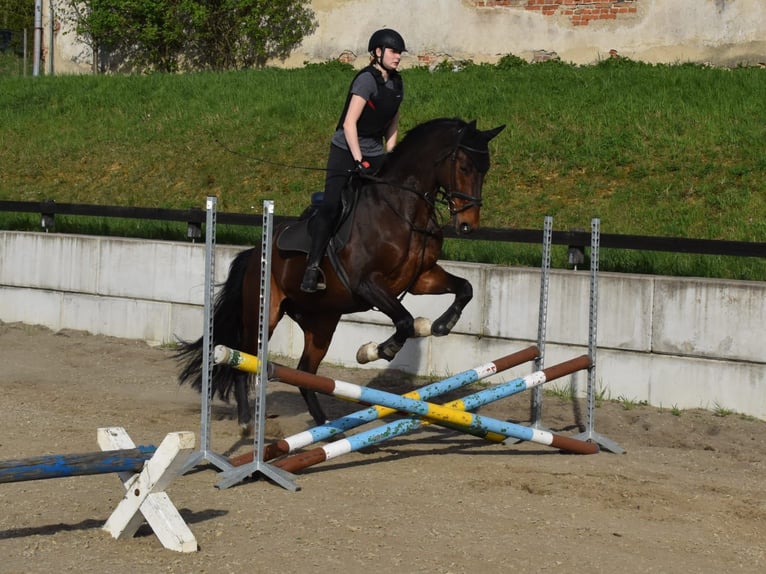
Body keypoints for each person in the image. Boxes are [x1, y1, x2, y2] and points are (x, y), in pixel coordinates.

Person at [300, 28, 406, 293]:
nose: (398, 57)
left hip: (374, 151)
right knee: (333, 204)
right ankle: (312, 267)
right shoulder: (365, 81)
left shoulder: (397, 83)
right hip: (346, 149)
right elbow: (349, 123)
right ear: (378, 52)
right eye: (394, 52)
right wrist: (358, 160)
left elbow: (392, 123)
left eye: (400, 53)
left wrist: (392, 155)